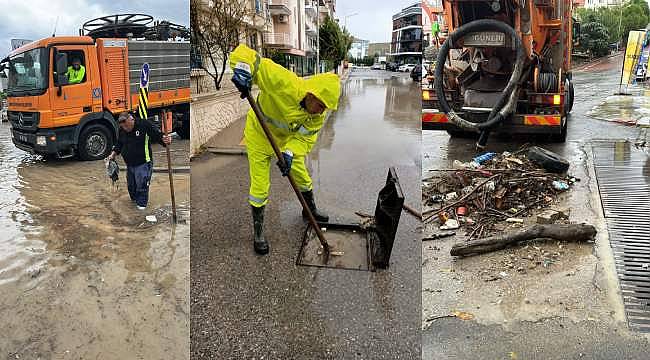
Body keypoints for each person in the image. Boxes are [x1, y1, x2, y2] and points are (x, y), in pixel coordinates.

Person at [230, 43, 341, 255]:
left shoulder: (317, 116)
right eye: (321, 105)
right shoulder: (285, 82)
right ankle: (259, 232)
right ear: (311, 94)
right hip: (260, 136)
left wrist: (290, 152)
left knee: (302, 175)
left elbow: (305, 139)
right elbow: (250, 56)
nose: (322, 111)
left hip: (286, 141)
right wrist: (243, 69)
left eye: (326, 108)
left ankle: (310, 211)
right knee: (260, 186)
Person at [107, 112, 171, 210]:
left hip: (143, 163)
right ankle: (134, 206)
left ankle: (141, 210)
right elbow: (119, 143)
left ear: (132, 119)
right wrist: (113, 155)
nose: (126, 129)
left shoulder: (144, 125)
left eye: (127, 126)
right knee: (131, 187)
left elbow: (157, 135)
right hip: (130, 164)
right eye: (123, 127)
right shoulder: (122, 129)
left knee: (142, 187)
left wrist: (165, 140)